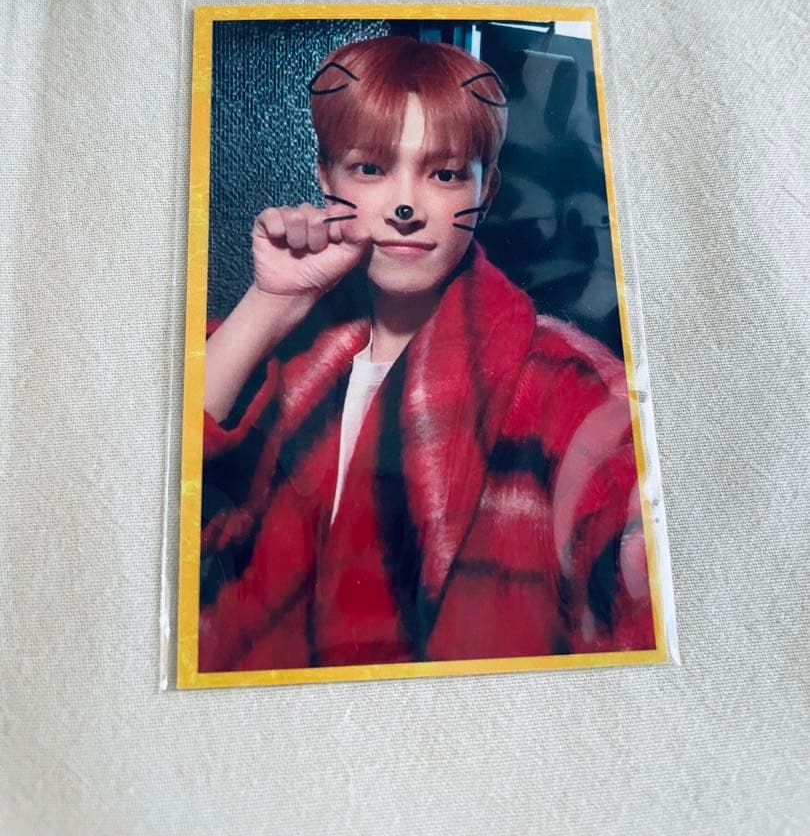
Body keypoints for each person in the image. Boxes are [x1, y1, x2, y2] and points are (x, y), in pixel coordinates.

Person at [198, 34, 655, 672]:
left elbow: (644, 593)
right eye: (370, 169)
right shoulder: (281, 357)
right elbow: (146, 514)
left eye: (444, 174)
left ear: (486, 191)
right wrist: (269, 305)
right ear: (326, 177)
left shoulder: (570, 386)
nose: (406, 206)